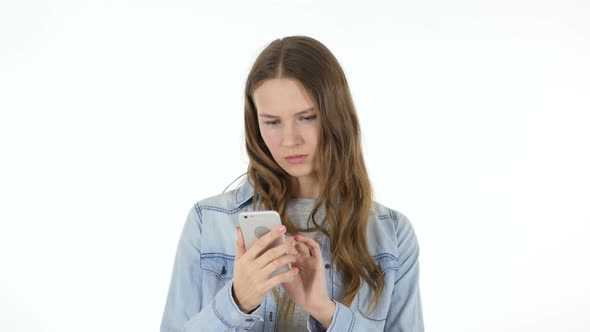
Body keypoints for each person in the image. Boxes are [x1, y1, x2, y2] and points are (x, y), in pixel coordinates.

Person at [160, 35, 424, 332]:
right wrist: (237, 303)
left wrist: (326, 312)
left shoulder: (392, 235)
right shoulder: (207, 222)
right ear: (255, 124)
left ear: (336, 116)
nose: (289, 140)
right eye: (272, 122)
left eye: (307, 117)